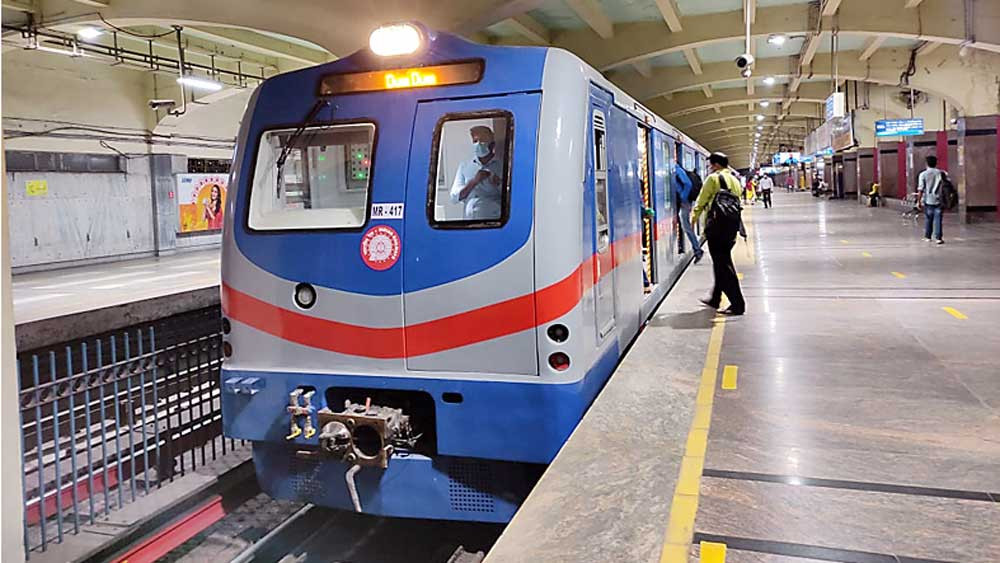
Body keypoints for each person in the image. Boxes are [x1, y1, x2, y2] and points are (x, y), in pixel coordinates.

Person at [692, 152, 746, 316]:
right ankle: (715, 298)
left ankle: (738, 304)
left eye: (710, 165)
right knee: (721, 262)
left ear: (715, 165)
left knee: (723, 265)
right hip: (731, 227)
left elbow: (702, 200)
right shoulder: (735, 181)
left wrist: (693, 218)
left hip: (717, 227)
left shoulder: (713, 179)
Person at [450, 125, 503, 220]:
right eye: (475, 141)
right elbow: (454, 197)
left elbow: (513, 198)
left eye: (482, 141)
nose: (478, 144)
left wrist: (498, 183)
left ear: (492, 145)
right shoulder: (464, 166)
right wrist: (474, 182)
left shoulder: (502, 166)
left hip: (494, 222)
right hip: (469, 223)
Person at [672, 163, 704, 263]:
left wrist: (683, 198)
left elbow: (687, 184)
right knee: (682, 225)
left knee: (686, 226)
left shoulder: (676, 168)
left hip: (684, 201)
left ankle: (697, 250)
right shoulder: (674, 169)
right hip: (679, 201)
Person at [916, 155, 945, 244]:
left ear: (926, 163)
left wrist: (918, 201)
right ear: (936, 163)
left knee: (928, 218)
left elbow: (920, 189)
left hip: (928, 199)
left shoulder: (923, 174)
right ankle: (938, 238)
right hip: (939, 199)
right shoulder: (941, 173)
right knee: (938, 219)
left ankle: (928, 236)